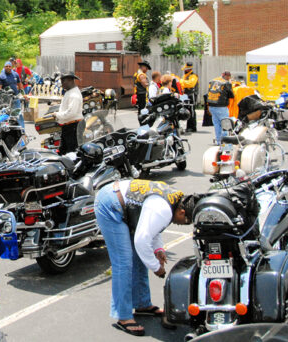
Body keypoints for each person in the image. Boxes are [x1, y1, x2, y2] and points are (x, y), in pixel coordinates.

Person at [95, 179, 197, 336]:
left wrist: (158, 249)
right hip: (110, 205)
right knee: (123, 261)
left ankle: (142, 304)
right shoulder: (164, 209)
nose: (182, 224)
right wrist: (156, 268)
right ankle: (123, 316)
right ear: (182, 212)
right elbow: (142, 240)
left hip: (125, 205)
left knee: (139, 257)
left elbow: (152, 225)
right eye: (186, 221)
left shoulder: (175, 200)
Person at [51, 71, 83, 155]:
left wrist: (57, 114)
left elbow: (71, 113)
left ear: (70, 80)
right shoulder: (70, 92)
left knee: (71, 152)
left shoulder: (74, 95)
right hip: (68, 126)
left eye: (63, 81)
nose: (62, 84)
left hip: (73, 127)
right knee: (63, 151)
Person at [206, 71, 235, 144]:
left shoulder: (212, 81)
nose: (229, 78)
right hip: (221, 106)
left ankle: (218, 140)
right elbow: (231, 95)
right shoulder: (227, 83)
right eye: (228, 76)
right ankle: (225, 141)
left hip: (212, 106)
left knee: (217, 124)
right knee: (225, 123)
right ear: (227, 76)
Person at [0, 61, 25, 128]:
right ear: (4, 67)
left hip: (15, 98)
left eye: (9, 66)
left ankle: (22, 129)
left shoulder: (15, 74)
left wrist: (23, 94)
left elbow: (19, 84)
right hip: (5, 100)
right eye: (6, 66)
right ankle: (5, 130)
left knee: (18, 114)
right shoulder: (1, 76)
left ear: (11, 67)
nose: (8, 67)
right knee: (5, 115)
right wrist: (0, 95)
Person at [180, 62, 199, 132]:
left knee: (191, 110)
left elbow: (191, 84)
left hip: (192, 95)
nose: (184, 70)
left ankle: (192, 127)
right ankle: (188, 126)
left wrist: (182, 81)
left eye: (186, 69)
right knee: (186, 109)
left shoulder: (193, 76)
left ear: (189, 69)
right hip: (185, 95)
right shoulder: (185, 76)